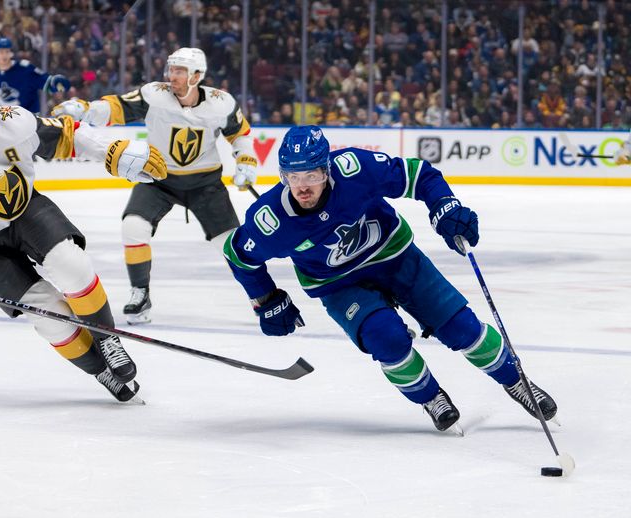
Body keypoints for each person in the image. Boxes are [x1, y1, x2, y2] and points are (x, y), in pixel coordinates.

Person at [222, 125, 558, 433]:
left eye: (311, 174)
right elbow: (238, 255)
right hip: (339, 285)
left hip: (396, 258)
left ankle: (517, 381)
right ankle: (430, 397)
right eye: (293, 177)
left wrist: (445, 206)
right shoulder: (272, 219)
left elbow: (418, 175)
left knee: (462, 328)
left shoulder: (355, 168)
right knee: (387, 338)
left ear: (326, 169)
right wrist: (266, 298)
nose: (303, 187)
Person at [0, 68, 167, 402]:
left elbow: (67, 133)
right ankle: (100, 371)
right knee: (48, 315)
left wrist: (110, 151)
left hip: (25, 211)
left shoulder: (13, 120)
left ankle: (107, 339)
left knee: (71, 265)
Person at [52, 47, 257, 325]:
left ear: (197, 75)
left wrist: (246, 160)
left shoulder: (221, 104)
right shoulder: (154, 95)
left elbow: (240, 134)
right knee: (133, 227)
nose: (172, 76)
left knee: (231, 243)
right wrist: (85, 109)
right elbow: (117, 107)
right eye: (171, 69)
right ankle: (140, 293)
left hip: (205, 184)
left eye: (180, 71)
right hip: (157, 178)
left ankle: (261, 295)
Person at [0, 37, 70, 113]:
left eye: (7, 51)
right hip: (1, 122)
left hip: (28, 119)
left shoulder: (25, 69)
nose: (4, 55)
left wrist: (55, 83)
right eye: (1, 52)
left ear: (11, 53)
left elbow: (45, 82)